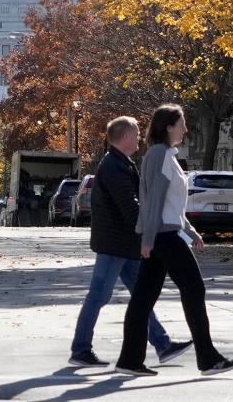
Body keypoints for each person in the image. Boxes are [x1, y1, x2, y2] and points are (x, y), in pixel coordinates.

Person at [114, 104, 233, 378]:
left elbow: (173, 204)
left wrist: (191, 231)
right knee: (193, 290)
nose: (185, 128)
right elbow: (154, 200)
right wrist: (147, 239)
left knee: (142, 299)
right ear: (169, 126)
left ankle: (129, 360)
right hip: (162, 237)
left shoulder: (166, 155)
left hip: (165, 233)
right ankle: (208, 359)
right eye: (182, 123)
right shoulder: (159, 154)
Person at [68, 116, 192, 368]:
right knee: (98, 296)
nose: (139, 138)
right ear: (125, 138)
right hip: (115, 245)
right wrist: (151, 230)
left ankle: (163, 344)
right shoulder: (114, 166)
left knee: (141, 296)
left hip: (124, 244)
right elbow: (130, 207)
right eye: (135, 134)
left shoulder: (121, 163)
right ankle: (80, 349)